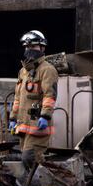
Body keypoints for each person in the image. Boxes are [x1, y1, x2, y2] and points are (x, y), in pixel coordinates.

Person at [8, 30, 58, 175]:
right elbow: (18, 98)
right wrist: (13, 117)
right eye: (27, 47)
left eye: (33, 46)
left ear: (42, 48)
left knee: (30, 158)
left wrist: (45, 116)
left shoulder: (47, 70)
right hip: (23, 125)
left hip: (38, 124)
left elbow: (50, 95)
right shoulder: (23, 72)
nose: (29, 50)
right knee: (27, 161)